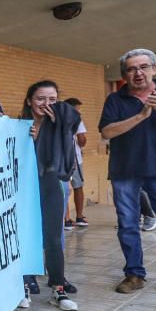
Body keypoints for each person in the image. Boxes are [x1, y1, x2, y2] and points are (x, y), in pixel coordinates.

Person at [99, 48, 156, 298]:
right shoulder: (115, 100)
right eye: (131, 69)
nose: (138, 72)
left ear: (154, 69)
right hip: (124, 172)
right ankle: (134, 274)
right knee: (128, 225)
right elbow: (107, 132)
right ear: (124, 75)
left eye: (143, 67)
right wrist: (140, 116)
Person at [21, 81, 80, 311]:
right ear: (29, 101)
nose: (46, 104)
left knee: (54, 238)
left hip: (51, 184)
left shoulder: (61, 121)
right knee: (25, 236)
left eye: (52, 99)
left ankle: (58, 287)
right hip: (24, 186)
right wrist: (28, 138)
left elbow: (73, 121)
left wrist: (56, 119)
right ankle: (24, 284)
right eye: (40, 99)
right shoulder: (20, 125)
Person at [62, 98, 88, 229]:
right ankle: (79, 216)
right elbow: (82, 140)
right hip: (74, 159)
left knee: (64, 188)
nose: (79, 112)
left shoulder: (57, 119)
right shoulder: (77, 121)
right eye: (77, 109)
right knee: (77, 187)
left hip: (61, 159)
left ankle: (66, 220)